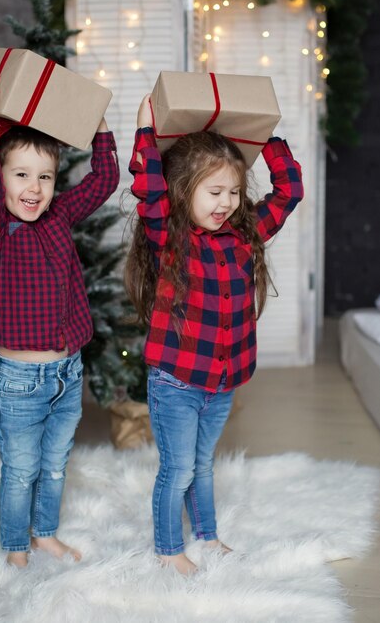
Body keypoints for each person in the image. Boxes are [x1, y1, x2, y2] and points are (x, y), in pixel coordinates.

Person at [125, 94, 304, 575]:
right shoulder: (171, 238)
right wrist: (145, 130)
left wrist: (268, 138)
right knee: (178, 469)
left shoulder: (245, 236)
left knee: (203, 467)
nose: (226, 202)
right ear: (184, 192)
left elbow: (289, 192)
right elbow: (148, 190)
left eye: (233, 192)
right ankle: (167, 551)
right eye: (214, 192)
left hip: (221, 382)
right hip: (177, 383)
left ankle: (205, 537)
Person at [0, 84, 119, 568]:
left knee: (54, 467)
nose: (34, 188)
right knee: (21, 469)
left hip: (67, 373)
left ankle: (45, 534)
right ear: (4, 179)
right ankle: (15, 548)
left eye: (45, 177)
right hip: (18, 379)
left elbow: (105, 178)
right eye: (22, 176)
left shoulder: (59, 216)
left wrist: (96, 122)